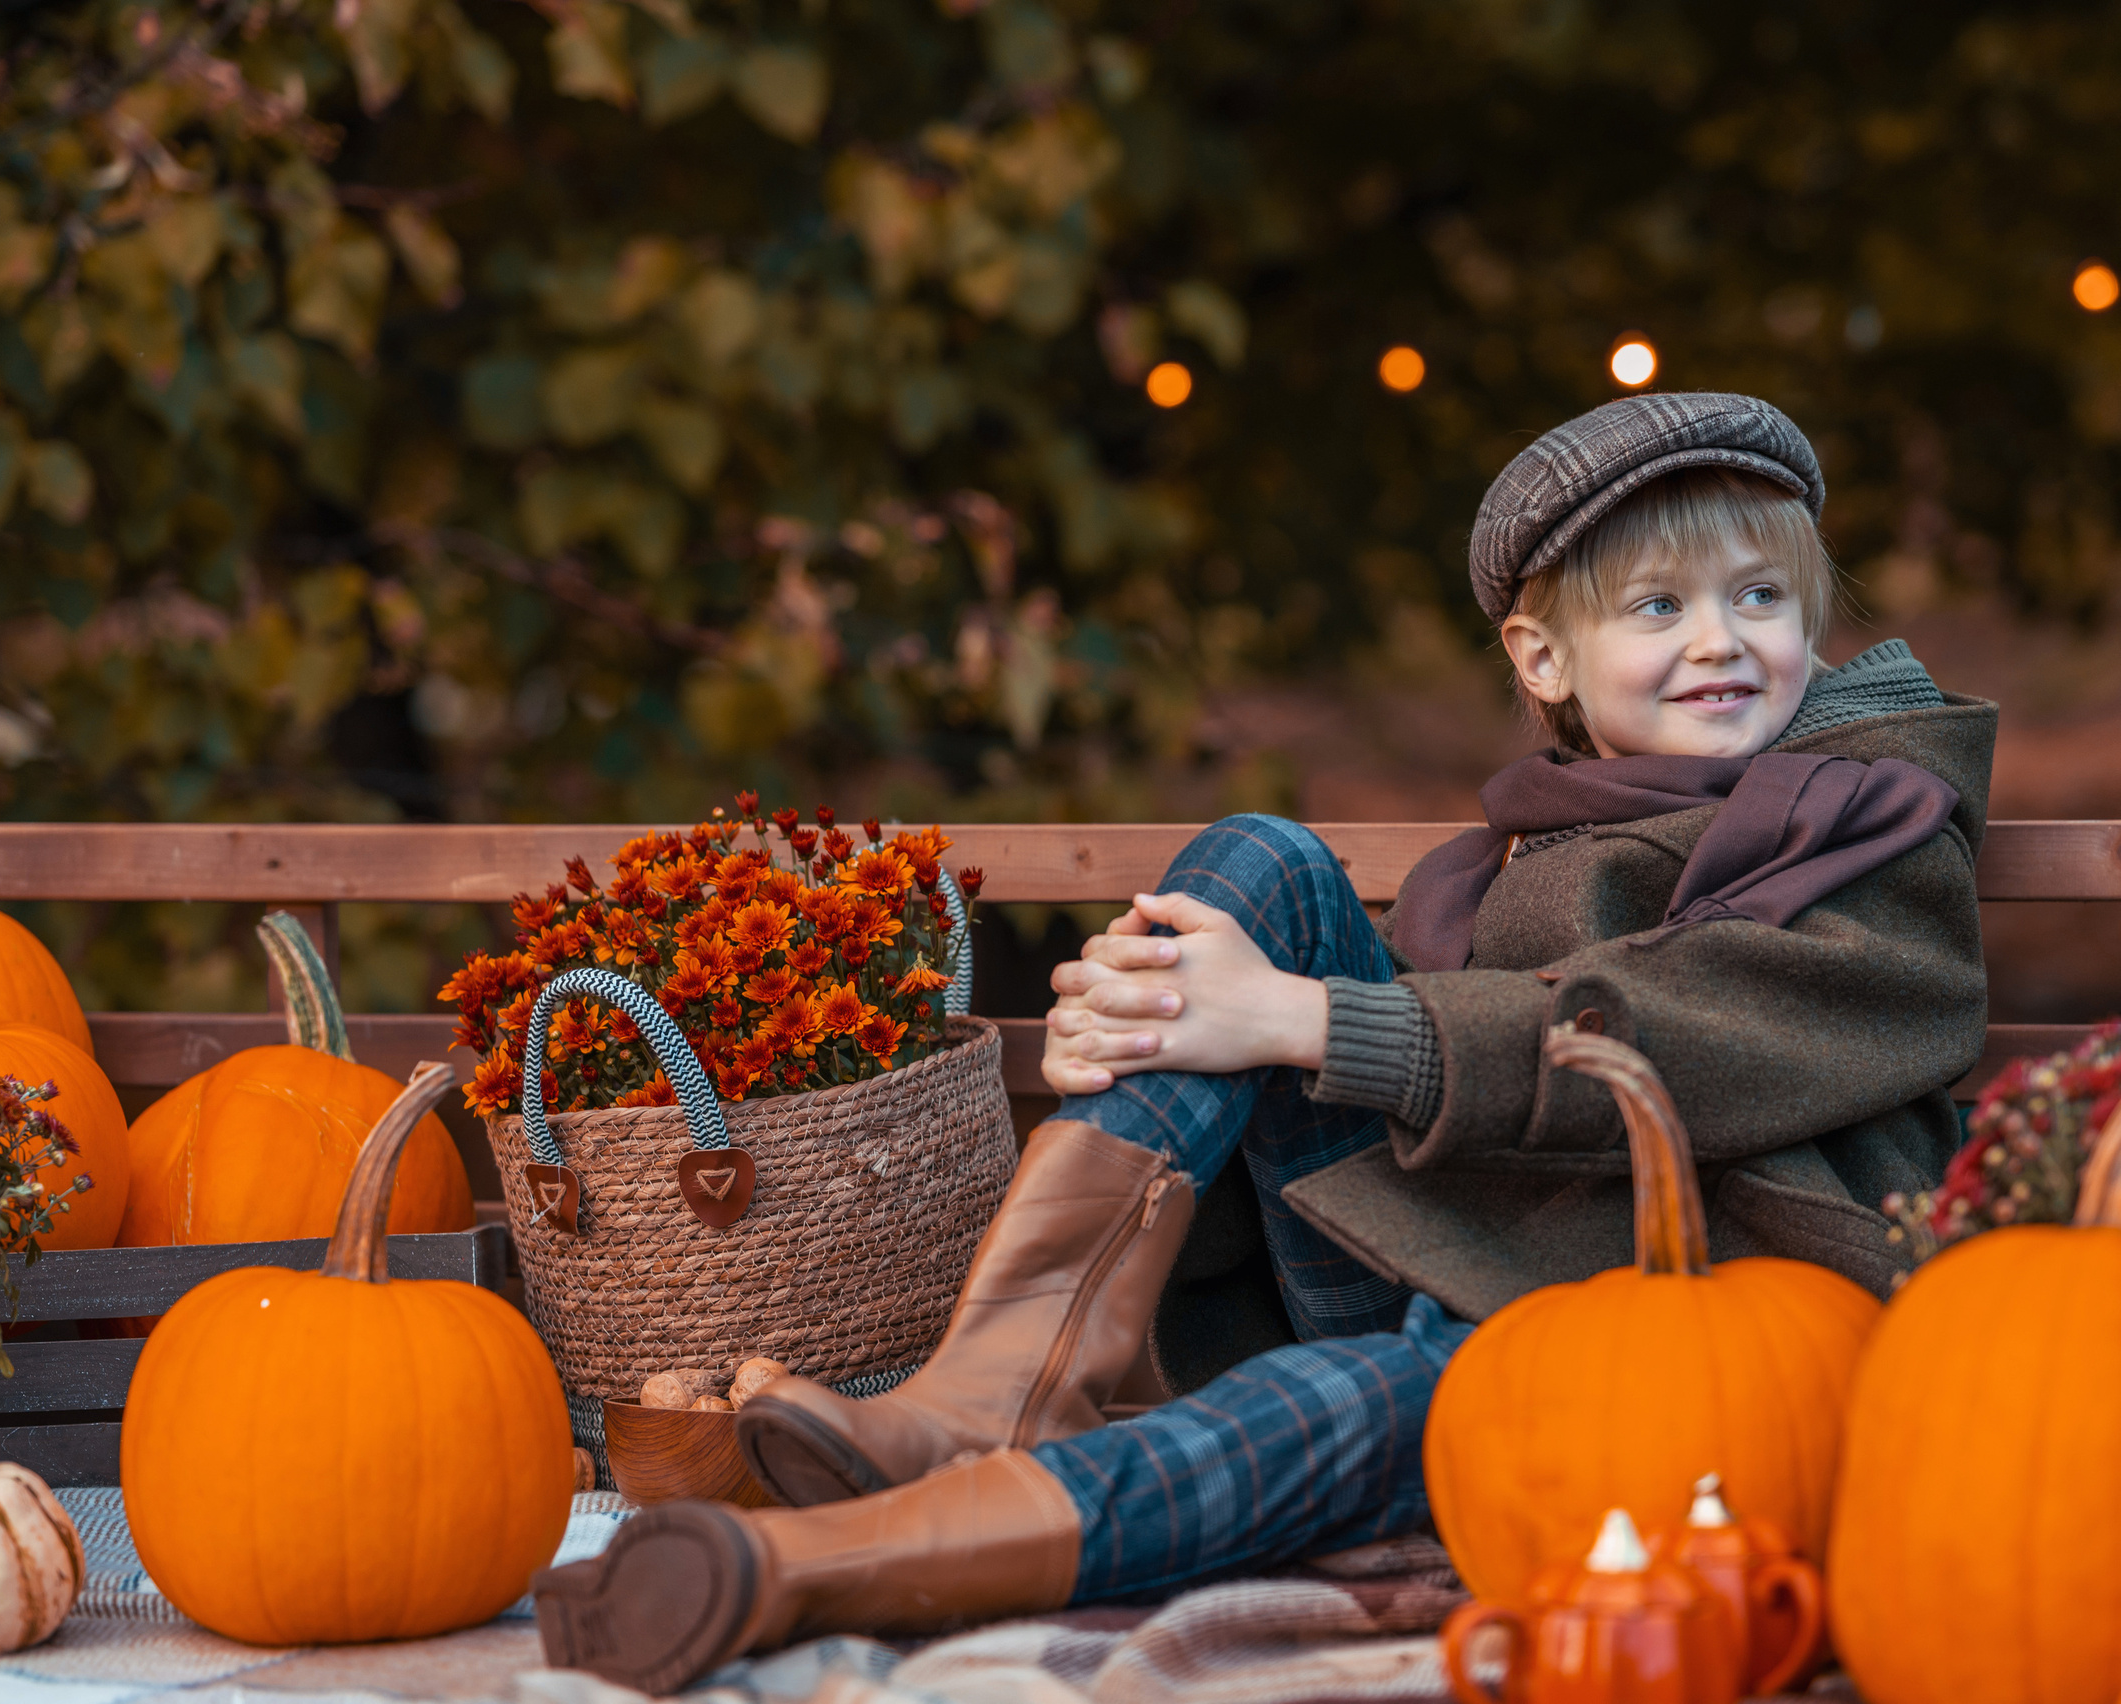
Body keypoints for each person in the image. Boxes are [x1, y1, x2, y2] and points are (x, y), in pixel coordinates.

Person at [534, 394, 1997, 1695]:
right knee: (1264, 860)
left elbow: (1675, 1038)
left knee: (1318, 1404)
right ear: (1544, 657)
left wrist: (1295, 1018)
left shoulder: (1873, 829)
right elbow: (1391, 1031)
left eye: (1759, 595)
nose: (1721, 641)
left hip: (1648, 1366)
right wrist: (1153, 1011)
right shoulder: (1551, 837)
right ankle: (1000, 1383)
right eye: (1658, 609)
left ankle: (801, 1574)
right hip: (1452, 1259)